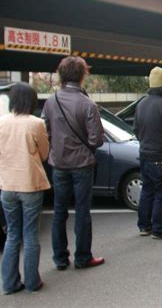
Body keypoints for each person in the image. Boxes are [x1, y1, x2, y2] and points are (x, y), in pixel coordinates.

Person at [42, 56, 105, 270]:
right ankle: (82, 257)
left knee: (59, 211)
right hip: (82, 164)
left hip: (58, 163)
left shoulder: (51, 101)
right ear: (82, 75)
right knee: (82, 211)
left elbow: (45, 132)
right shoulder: (87, 103)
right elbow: (96, 139)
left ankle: (60, 259)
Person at [0, 83, 50, 294]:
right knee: (31, 235)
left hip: (7, 184)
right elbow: (44, 153)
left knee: (12, 235)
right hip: (30, 183)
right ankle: (32, 282)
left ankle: (9, 284)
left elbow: (0, 152)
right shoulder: (36, 123)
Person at [133, 67, 162, 239]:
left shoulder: (141, 104)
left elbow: (136, 130)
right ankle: (159, 229)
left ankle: (144, 225)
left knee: (147, 191)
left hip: (145, 155)